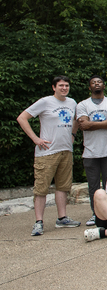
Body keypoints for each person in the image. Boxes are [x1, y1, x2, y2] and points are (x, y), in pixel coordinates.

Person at [17, 75, 80, 236]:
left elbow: (76, 120)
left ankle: (62, 217)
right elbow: (22, 118)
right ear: (54, 87)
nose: (64, 88)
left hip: (66, 150)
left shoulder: (72, 102)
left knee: (63, 186)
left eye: (66, 85)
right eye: (61, 85)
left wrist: (73, 135)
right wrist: (35, 139)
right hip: (47, 152)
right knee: (41, 188)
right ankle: (39, 222)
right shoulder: (45, 102)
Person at [76, 75, 107, 226]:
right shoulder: (82, 105)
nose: (96, 84)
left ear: (104, 86)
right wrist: (105, 123)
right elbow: (83, 125)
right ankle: (96, 215)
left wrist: (91, 124)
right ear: (89, 87)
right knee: (93, 186)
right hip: (90, 152)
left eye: (99, 82)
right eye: (93, 83)